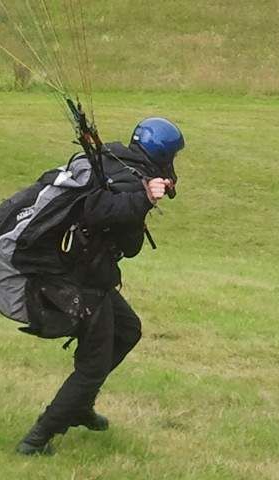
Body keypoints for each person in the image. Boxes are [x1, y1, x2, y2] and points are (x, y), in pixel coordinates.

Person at [17, 117, 185, 455]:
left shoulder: (116, 160)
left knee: (127, 330)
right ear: (163, 155)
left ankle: (80, 406)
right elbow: (112, 225)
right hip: (81, 281)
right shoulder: (132, 182)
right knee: (92, 368)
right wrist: (144, 200)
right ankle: (37, 439)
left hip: (89, 274)